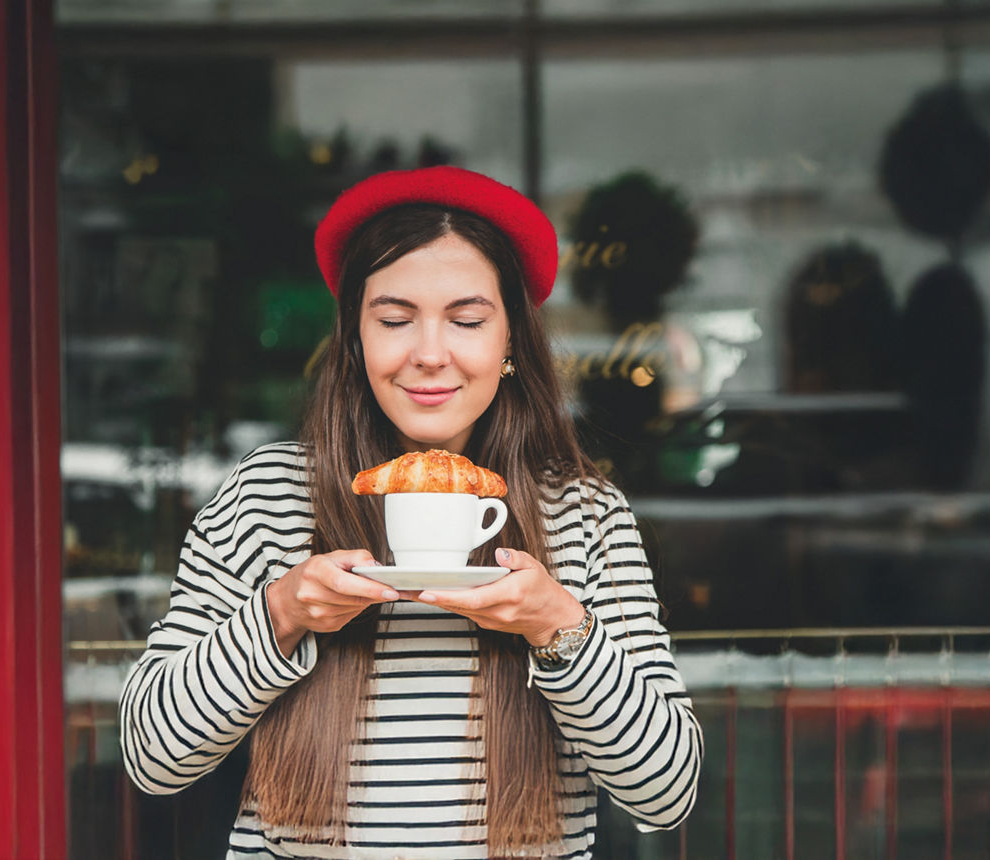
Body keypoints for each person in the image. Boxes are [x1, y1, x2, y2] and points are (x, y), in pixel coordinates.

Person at [120, 166, 702, 859]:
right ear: (356, 337)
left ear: (511, 336)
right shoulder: (267, 496)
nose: (430, 354)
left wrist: (557, 626)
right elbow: (153, 759)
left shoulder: (583, 513)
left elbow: (666, 791)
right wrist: (281, 613)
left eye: (467, 320)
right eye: (395, 320)